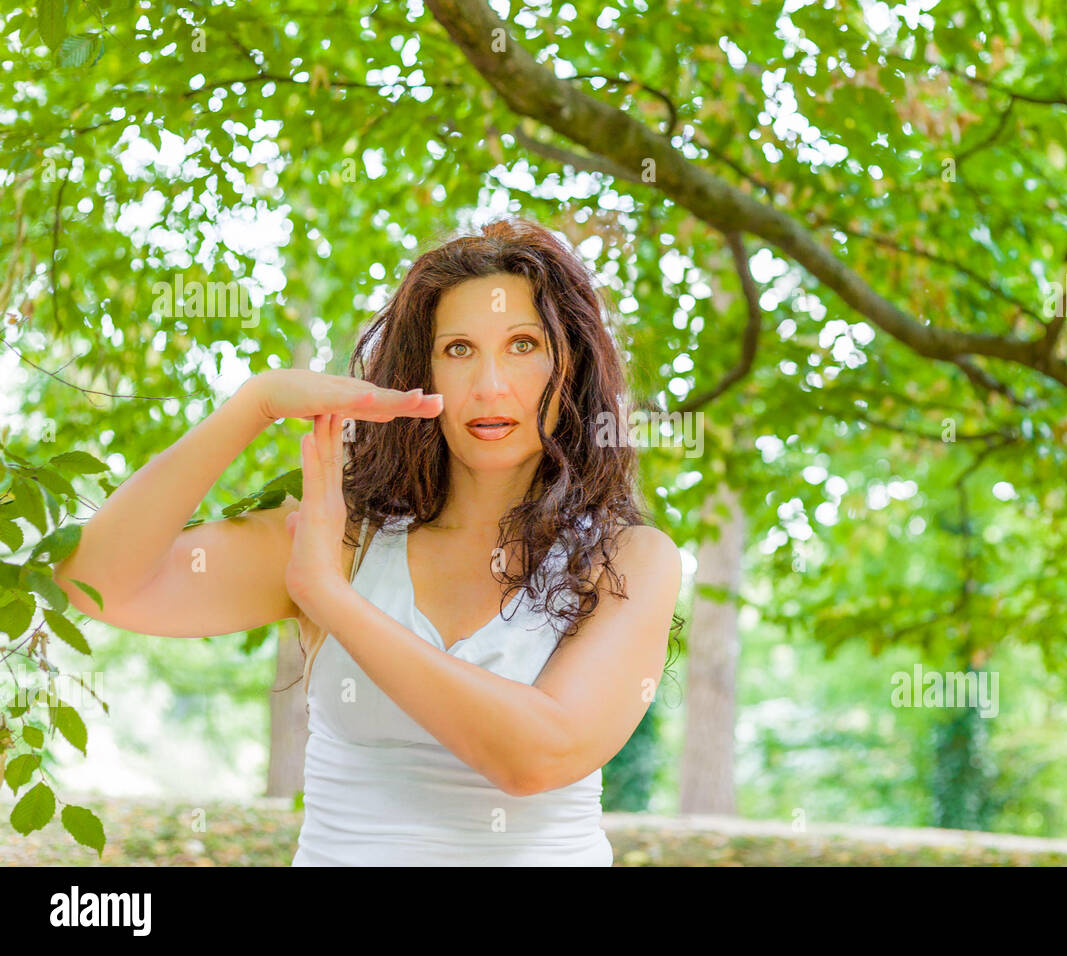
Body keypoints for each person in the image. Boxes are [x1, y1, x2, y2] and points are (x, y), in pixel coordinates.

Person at [54, 216, 684, 865]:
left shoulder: (629, 561)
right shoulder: (343, 536)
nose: (490, 385)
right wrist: (254, 403)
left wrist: (330, 599)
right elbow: (96, 583)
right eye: (458, 349)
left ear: (572, 365)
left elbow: (536, 758)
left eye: (523, 345)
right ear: (424, 372)